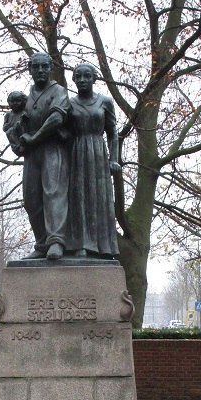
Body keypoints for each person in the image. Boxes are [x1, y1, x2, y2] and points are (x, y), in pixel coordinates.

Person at [15, 53, 71, 260]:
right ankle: (41, 244)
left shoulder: (58, 91)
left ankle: (56, 241)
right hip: (31, 153)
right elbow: (17, 122)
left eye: (44, 67)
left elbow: (56, 117)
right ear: (30, 69)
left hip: (52, 149)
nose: (40, 70)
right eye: (36, 67)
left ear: (50, 69)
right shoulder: (26, 96)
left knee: (53, 193)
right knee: (31, 198)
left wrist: (36, 136)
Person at [67, 63, 120, 258]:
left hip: (98, 152)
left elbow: (113, 133)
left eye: (86, 76)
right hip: (76, 152)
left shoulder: (105, 101)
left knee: (100, 198)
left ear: (94, 79)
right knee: (79, 197)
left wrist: (114, 159)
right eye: (78, 76)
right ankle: (81, 243)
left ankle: (104, 246)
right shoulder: (69, 103)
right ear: (74, 80)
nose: (82, 80)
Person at [3, 91, 27, 157]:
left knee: (19, 125)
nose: (15, 103)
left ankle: (22, 145)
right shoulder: (8, 115)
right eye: (12, 101)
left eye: (18, 101)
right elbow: (4, 127)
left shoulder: (25, 112)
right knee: (9, 131)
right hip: (14, 138)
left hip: (25, 134)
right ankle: (18, 146)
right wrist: (7, 126)